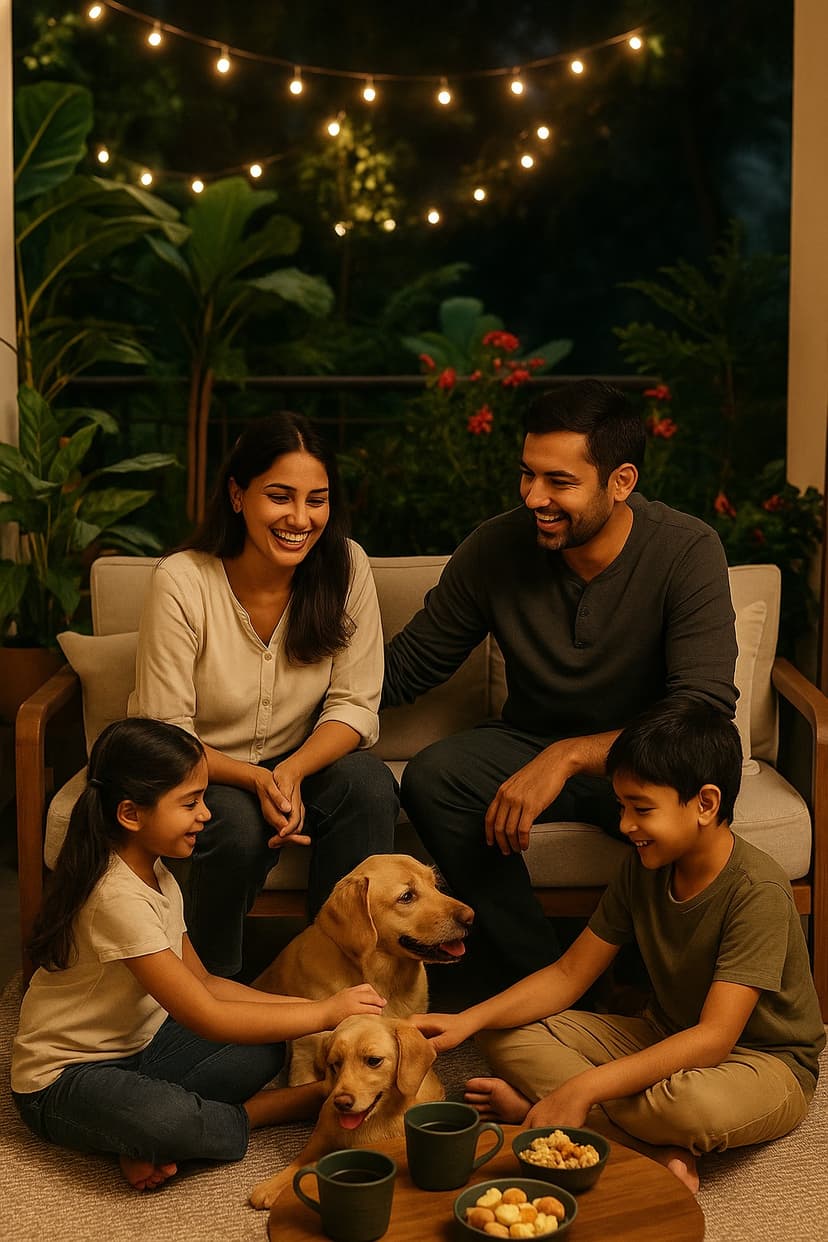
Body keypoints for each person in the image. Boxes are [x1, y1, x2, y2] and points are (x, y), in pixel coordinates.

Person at [382, 378, 737, 988]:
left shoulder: (686, 550)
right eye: (528, 474)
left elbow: (700, 711)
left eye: (559, 482)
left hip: (645, 754)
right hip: (527, 740)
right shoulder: (497, 547)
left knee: (688, 785)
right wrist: (291, 698)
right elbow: (412, 664)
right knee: (435, 775)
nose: (534, 497)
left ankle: (663, 985)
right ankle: (541, 980)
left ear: (620, 482)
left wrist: (568, 757)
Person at [411, 698, 826, 1193]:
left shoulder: (757, 891)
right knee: (503, 1033)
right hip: (663, 1033)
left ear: (706, 804)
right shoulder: (643, 868)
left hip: (761, 1060)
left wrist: (583, 1087)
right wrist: (467, 1020)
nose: (626, 824)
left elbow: (714, 1038)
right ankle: (644, 1146)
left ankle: (557, 1110)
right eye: (622, 807)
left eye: (641, 809)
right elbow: (568, 975)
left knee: (687, 1106)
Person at [11, 718, 387, 1191]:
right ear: (130, 814)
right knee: (170, 1122)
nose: (206, 814)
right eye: (190, 803)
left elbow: (206, 982)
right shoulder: (116, 898)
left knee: (269, 1040)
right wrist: (325, 1013)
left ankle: (138, 1139)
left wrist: (318, 1012)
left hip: (144, 1044)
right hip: (65, 1078)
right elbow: (207, 1015)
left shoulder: (157, 874)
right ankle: (253, 1114)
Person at [128, 412, 399, 977]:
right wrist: (256, 779)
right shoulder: (183, 580)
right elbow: (167, 733)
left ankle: (341, 981)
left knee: (368, 784)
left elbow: (354, 705)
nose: (300, 519)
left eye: (317, 500)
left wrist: (291, 771)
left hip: (301, 762)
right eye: (280, 497)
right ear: (237, 495)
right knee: (233, 823)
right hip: (200, 767)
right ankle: (208, 991)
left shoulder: (347, 567)